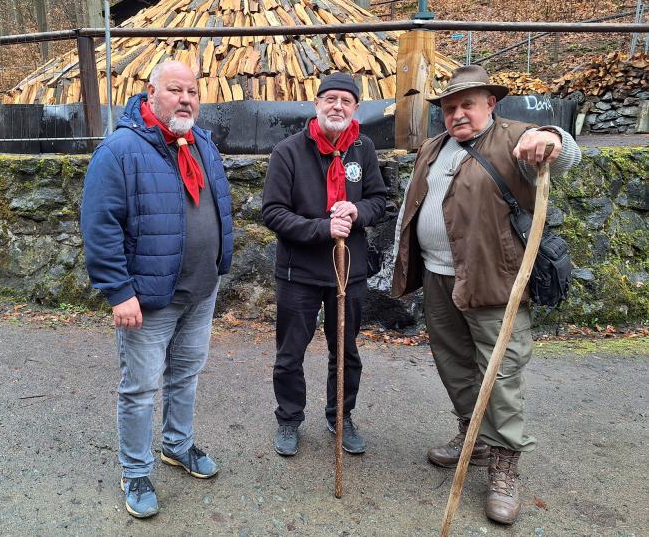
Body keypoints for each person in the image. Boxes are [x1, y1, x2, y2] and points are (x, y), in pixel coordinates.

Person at [391, 65, 581, 525]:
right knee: (454, 363)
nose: (457, 114)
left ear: (490, 104)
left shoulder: (513, 138)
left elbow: (564, 149)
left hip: (495, 281)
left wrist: (552, 139)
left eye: (467, 104)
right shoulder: (433, 148)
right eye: (450, 107)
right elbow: (414, 206)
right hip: (439, 277)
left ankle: (504, 464)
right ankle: (471, 438)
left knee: (501, 373)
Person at [81, 60, 233, 519]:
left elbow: (217, 207)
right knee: (141, 388)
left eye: (192, 91)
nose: (186, 98)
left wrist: (218, 264)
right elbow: (100, 225)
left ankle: (177, 445)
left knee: (185, 375)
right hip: (148, 298)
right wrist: (118, 292)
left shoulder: (201, 143)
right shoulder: (121, 150)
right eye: (175, 90)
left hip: (200, 291)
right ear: (150, 93)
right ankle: (135, 470)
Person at [262, 72, 387, 458]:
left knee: (346, 351)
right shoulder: (288, 151)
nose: (337, 106)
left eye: (345, 101)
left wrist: (358, 210)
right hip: (298, 272)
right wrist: (321, 227)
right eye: (330, 99)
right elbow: (273, 213)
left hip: (348, 271)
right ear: (316, 105)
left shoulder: (363, 149)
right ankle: (289, 418)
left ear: (355, 109)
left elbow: (380, 201)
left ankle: (340, 415)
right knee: (290, 353)